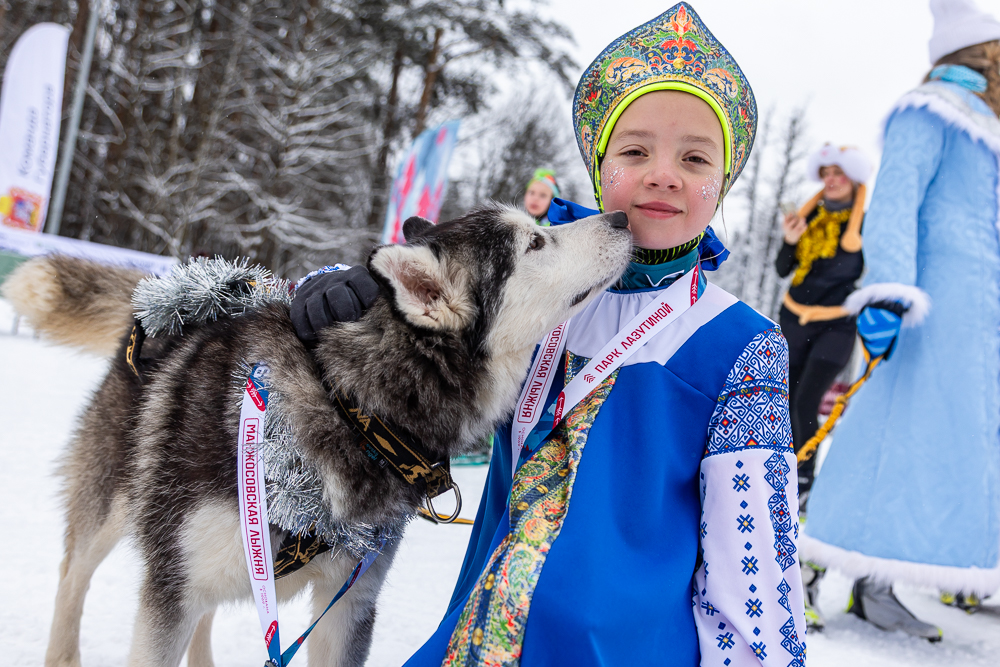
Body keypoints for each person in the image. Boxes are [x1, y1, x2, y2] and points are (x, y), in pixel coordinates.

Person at [292, 4, 805, 665]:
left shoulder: (740, 346)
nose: (664, 172)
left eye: (696, 156)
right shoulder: (541, 290)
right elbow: (441, 289)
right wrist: (350, 285)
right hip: (476, 642)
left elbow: (753, 568)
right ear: (600, 165)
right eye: (636, 150)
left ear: (723, 182)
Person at [803, 0, 1000, 641]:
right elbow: (895, 203)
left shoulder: (988, 127)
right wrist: (891, 293)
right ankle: (805, 567)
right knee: (881, 435)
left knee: (930, 448)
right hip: (927, 312)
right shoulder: (931, 110)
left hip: (977, 321)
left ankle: (875, 583)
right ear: (984, 54)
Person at [775, 144, 871, 507]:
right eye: (826, 173)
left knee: (805, 400)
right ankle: (780, 469)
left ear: (853, 179)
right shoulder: (807, 218)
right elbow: (783, 269)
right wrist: (790, 240)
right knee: (784, 399)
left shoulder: (866, 224)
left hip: (837, 325)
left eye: (839, 173)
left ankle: (803, 479)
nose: (831, 180)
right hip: (793, 317)